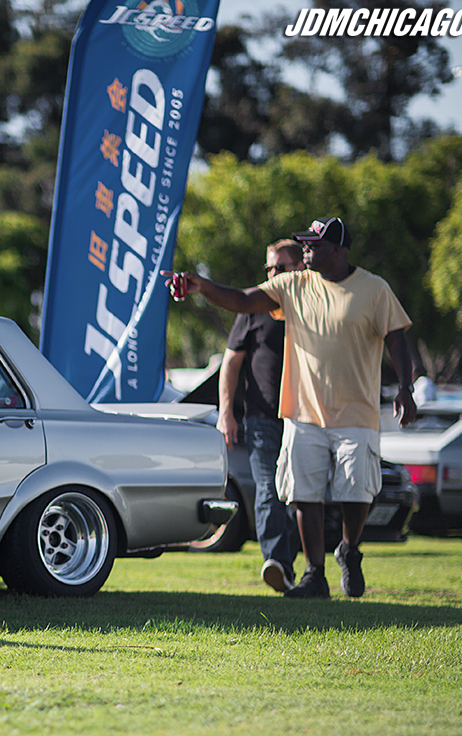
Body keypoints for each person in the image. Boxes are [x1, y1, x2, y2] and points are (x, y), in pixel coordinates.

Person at [167, 217, 416, 599]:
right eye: (304, 244)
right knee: (304, 494)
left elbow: (397, 339)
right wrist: (203, 286)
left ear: (337, 250)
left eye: (313, 245)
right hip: (303, 413)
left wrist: (405, 387)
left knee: (357, 493)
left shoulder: (374, 289)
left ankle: (349, 549)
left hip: (356, 414)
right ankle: (314, 574)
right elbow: (244, 300)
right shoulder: (293, 285)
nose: (306, 250)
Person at [217, 239, 304, 593]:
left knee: (301, 495)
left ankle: (298, 566)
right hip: (261, 418)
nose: (272, 275)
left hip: (304, 418)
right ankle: (277, 564)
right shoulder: (252, 308)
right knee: (268, 489)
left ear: (300, 268)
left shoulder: (311, 304)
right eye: (268, 268)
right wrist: (226, 412)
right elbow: (231, 362)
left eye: (280, 268)